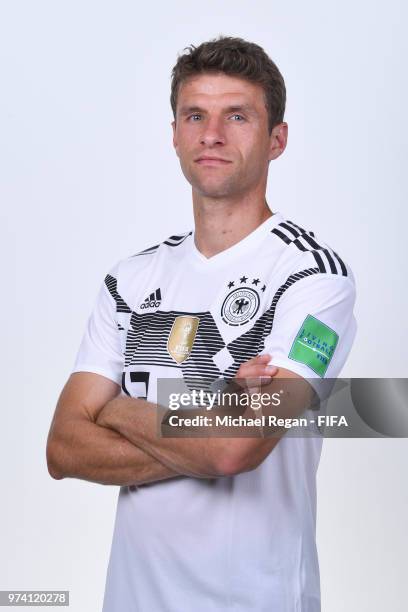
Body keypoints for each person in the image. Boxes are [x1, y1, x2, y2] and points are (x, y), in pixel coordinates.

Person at [46, 36, 357, 612]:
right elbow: (63, 449)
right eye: (195, 115)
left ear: (277, 139)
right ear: (175, 134)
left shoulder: (314, 278)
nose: (211, 134)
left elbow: (235, 449)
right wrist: (215, 420)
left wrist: (112, 410)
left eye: (236, 115)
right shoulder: (130, 278)